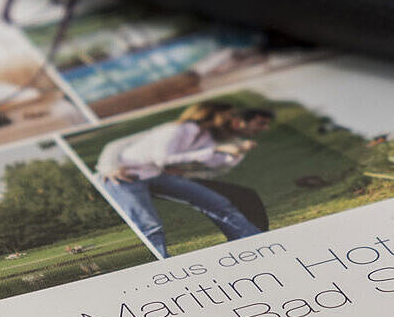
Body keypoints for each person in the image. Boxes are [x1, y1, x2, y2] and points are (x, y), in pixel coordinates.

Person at [92, 101, 275, 259]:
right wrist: (217, 150)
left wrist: (237, 152)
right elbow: (163, 159)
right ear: (210, 114)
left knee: (219, 204)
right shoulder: (175, 130)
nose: (232, 118)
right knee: (149, 225)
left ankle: (255, 243)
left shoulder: (206, 136)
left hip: (155, 174)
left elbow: (211, 163)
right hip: (124, 175)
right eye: (228, 114)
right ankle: (163, 263)